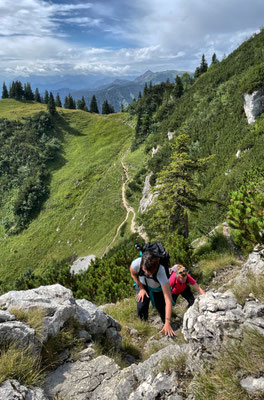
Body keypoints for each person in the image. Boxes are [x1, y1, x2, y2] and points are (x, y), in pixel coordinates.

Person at [130, 251, 176, 337]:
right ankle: (143, 327)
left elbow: (168, 300)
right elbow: (133, 273)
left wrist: (167, 322)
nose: (147, 273)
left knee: (161, 307)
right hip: (142, 284)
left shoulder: (161, 272)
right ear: (142, 266)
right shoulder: (136, 264)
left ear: (155, 268)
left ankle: (166, 324)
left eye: (150, 272)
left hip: (157, 288)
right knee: (141, 307)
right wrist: (142, 288)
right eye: (145, 270)